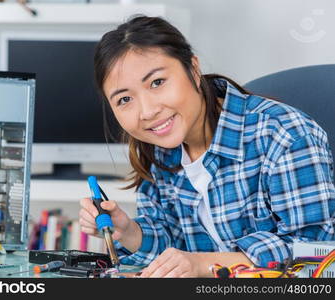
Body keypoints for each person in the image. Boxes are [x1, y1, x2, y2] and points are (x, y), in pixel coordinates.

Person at [79, 15, 335, 278]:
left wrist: (202, 265)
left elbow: (316, 258)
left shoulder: (283, 133)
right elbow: (174, 251)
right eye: (124, 99)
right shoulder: (159, 150)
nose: (147, 111)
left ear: (193, 69)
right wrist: (128, 231)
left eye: (157, 82)